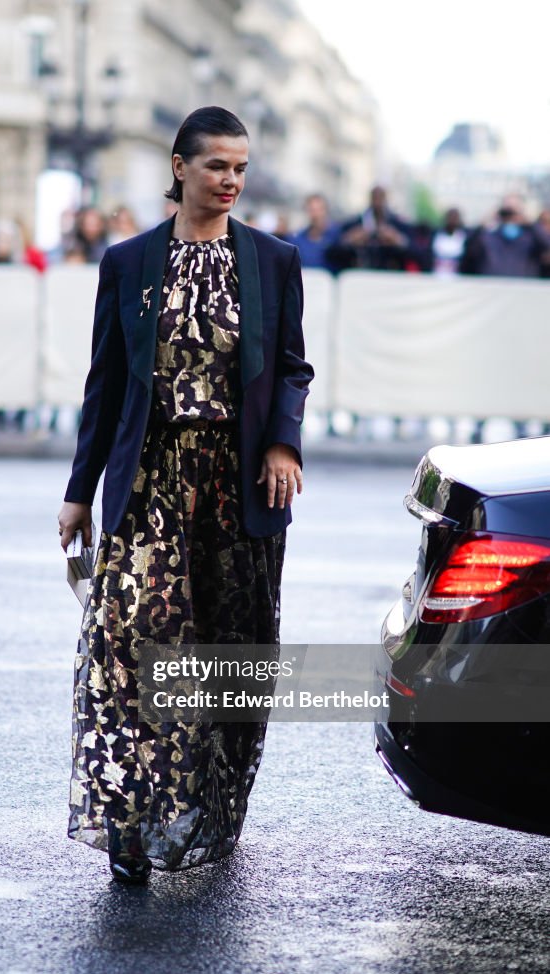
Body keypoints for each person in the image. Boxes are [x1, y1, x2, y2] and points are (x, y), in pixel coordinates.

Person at [57, 105, 314, 885]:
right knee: (131, 651)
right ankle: (130, 821)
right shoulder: (128, 262)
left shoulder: (273, 260)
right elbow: (105, 384)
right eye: (216, 166)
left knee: (230, 656)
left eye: (239, 167)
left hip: (236, 485)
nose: (230, 180)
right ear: (180, 168)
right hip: (149, 481)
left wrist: (281, 441)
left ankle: (209, 809)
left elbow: (291, 369)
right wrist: (78, 490)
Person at [327, 185, 412, 273]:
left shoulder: (398, 226)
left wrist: (397, 240)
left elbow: (415, 253)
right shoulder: (353, 225)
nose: (378, 202)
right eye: (375, 197)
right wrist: (350, 240)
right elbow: (332, 252)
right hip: (358, 277)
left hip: (389, 278)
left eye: (381, 197)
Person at [459, 195, 549, 278]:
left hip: (523, 290)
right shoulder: (489, 237)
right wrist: (486, 220)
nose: (510, 217)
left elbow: (547, 245)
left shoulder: (531, 237)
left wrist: (528, 222)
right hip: (491, 289)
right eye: (506, 213)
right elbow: (468, 245)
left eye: (513, 213)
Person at [288, 193, 337, 269]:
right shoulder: (296, 241)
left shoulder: (337, 237)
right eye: (312, 210)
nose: (316, 214)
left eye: (319, 209)